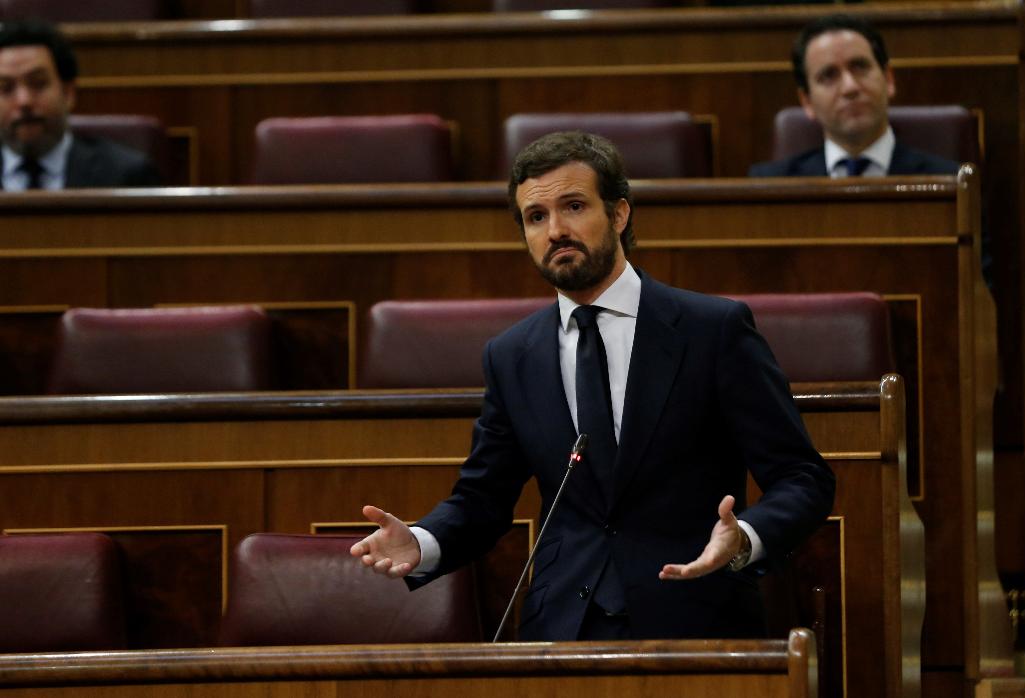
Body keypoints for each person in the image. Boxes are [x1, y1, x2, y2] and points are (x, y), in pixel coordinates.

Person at [352, 131, 836, 642]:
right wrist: (424, 541)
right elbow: (482, 499)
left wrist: (746, 540)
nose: (556, 230)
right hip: (560, 628)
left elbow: (803, 477)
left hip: (693, 613)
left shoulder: (712, 330)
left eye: (574, 206)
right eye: (536, 217)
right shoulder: (512, 355)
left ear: (619, 213)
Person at [749, 14, 958, 178]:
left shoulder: (950, 182)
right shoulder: (771, 185)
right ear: (807, 101)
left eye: (860, 67)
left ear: (889, 80)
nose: (850, 87)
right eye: (829, 75)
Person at [0, 19, 161, 191]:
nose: (24, 101)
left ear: (68, 93)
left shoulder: (125, 175)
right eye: (6, 88)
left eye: (38, 83)